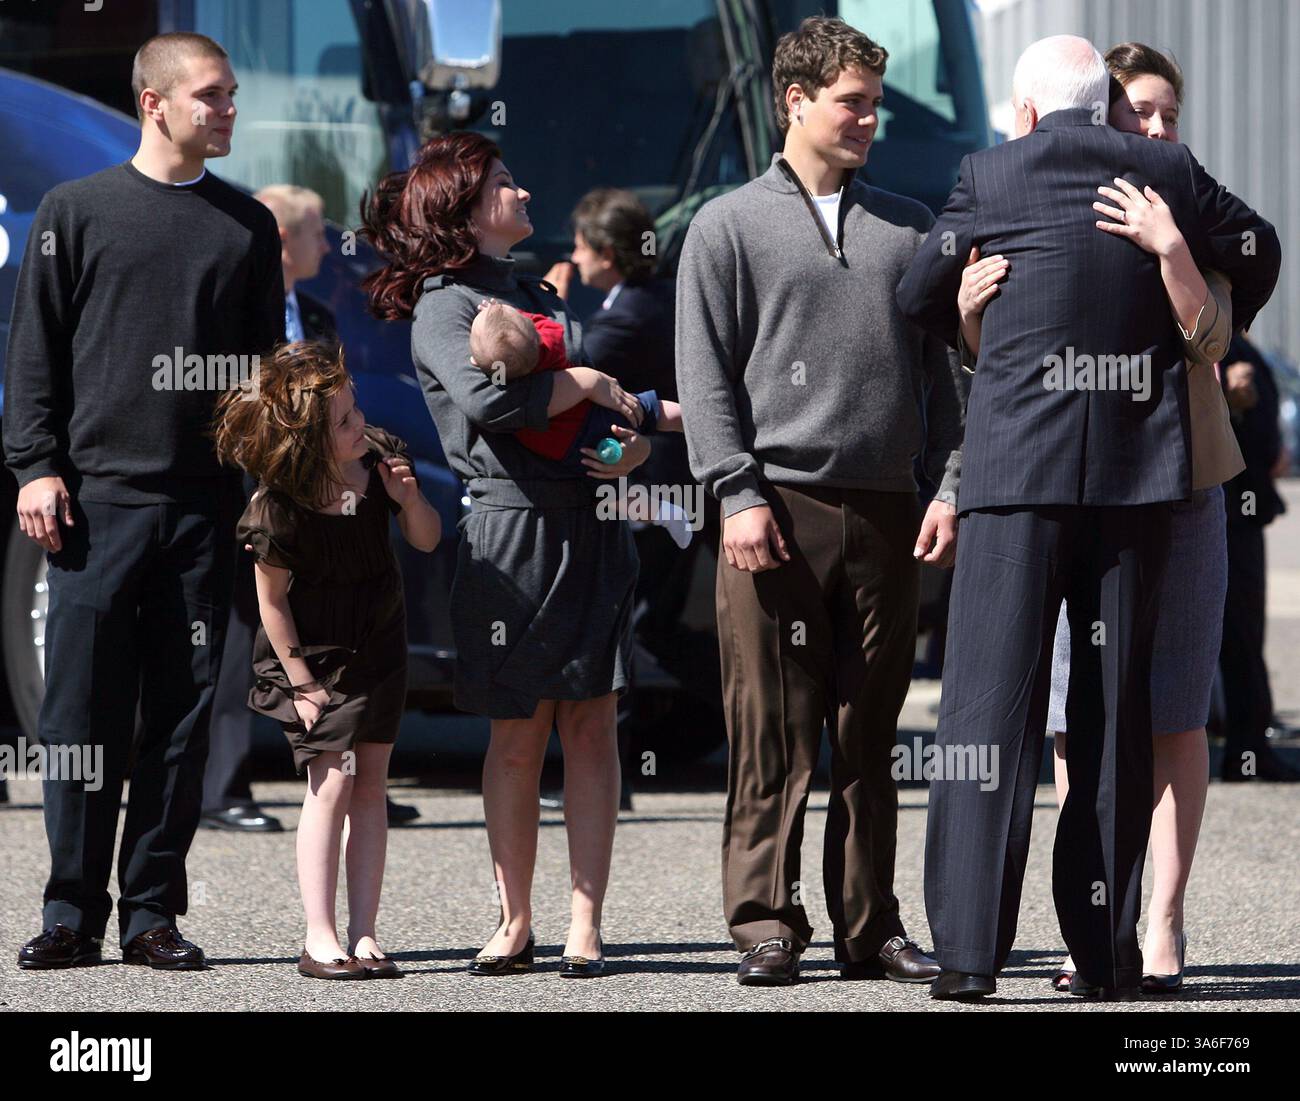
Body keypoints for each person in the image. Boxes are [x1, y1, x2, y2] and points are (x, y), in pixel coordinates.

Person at [897, 35, 1280, 1002]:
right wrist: (1178, 261)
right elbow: (1262, 246)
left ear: (1025, 112)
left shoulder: (987, 172)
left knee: (985, 714)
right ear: (1104, 105)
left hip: (1015, 482)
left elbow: (912, 293)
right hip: (1137, 484)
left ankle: (970, 958)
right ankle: (1109, 954)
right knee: (1113, 718)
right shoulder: (1165, 169)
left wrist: (964, 300)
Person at [676, 16, 962, 987]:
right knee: (771, 729)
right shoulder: (724, 226)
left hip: (887, 509)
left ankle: (869, 927)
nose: (869, 121)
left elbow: (946, 380)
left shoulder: (911, 227)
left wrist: (950, 487)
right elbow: (705, 377)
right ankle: (764, 923)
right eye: (853, 103)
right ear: (794, 101)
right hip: (774, 508)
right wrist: (736, 491)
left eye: (875, 105)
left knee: (866, 735)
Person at [7, 32, 284, 971]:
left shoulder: (247, 226)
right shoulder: (73, 212)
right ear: (153, 102)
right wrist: (34, 466)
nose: (229, 110)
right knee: (79, 721)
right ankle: (69, 913)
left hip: (203, 513)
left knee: (178, 721)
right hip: (93, 509)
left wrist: (266, 499)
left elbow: (262, 386)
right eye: (211, 96)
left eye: (233, 95)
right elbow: (34, 352)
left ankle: (151, 912)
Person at [361, 131, 651, 977]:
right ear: (465, 207)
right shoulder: (443, 303)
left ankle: (585, 924)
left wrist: (623, 448)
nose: (524, 194)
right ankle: (516, 919)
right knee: (518, 735)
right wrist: (593, 383)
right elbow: (495, 403)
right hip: (511, 530)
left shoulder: (539, 291)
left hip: (591, 521)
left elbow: (579, 422)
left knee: (593, 726)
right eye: (506, 183)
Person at [214, 341, 441, 978]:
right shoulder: (277, 508)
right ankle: (320, 937)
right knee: (332, 781)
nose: (359, 423)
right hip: (310, 653)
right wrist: (303, 685)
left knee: (371, 780)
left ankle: (365, 934)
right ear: (309, 439)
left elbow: (426, 541)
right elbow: (273, 603)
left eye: (356, 408)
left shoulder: (382, 459)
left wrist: (409, 500)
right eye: (343, 420)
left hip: (378, 638)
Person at [202, 183, 421, 831]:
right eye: (314, 231)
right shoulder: (234, 308)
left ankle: (358, 779)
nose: (328, 244)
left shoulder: (319, 315)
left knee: (337, 622)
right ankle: (224, 787)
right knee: (245, 627)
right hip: (255, 499)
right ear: (281, 240)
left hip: (329, 504)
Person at [1218, 331, 1299, 782]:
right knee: (1239, 637)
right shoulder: (1210, 332)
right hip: (1226, 512)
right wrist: (1227, 396)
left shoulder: (1236, 339)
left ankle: (1250, 746)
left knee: (1244, 635)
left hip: (1244, 511)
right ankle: (1246, 752)